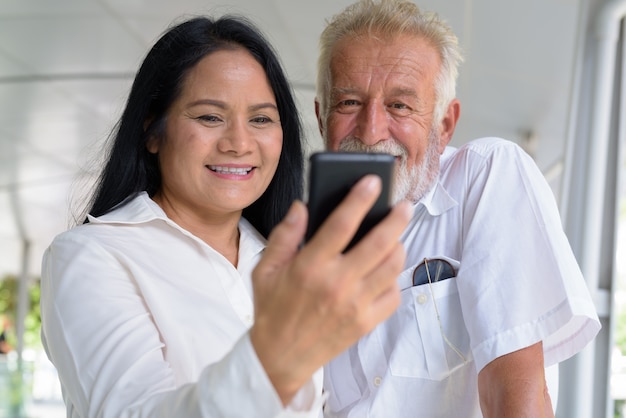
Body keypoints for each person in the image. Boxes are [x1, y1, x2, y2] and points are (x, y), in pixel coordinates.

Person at [40, 15, 412, 418]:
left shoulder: (286, 263)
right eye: (209, 117)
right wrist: (275, 362)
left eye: (261, 119)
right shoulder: (91, 257)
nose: (239, 143)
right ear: (152, 130)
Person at [314, 0, 601, 417]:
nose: (372, 131)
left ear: (445, 124)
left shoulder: (484, 177)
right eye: (350, 103)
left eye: (400, 105)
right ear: (323, 118)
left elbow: (518, 395)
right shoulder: (298, 248)